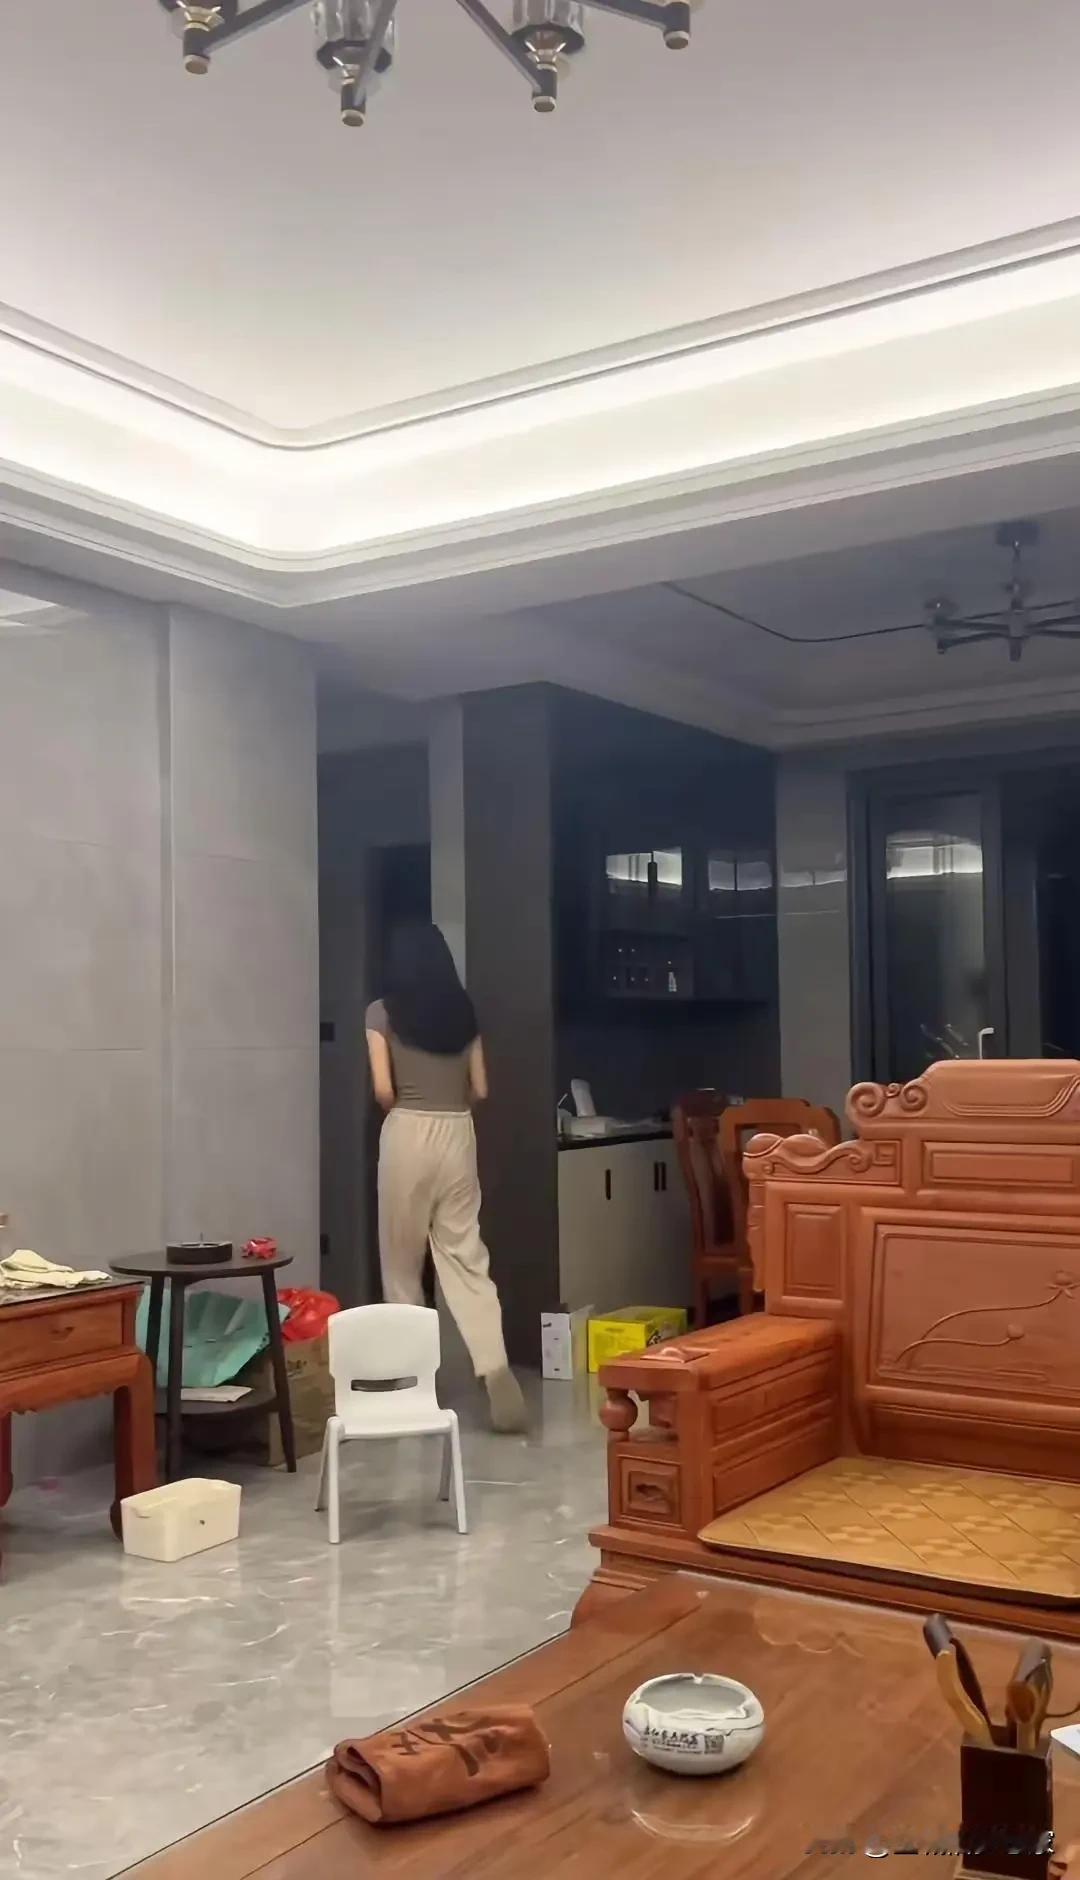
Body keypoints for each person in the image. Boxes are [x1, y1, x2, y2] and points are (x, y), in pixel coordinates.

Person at [365, 922, 527, 1433]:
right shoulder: (463, 1013)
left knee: (402, 1264)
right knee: (466, 1256)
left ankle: (414, 1385)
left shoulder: (380, 1013)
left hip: (408, 1131)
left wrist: (409, 1108)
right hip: (458, 1133)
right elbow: (481, 1088)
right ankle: (494, 1366)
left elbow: (383, 1090)